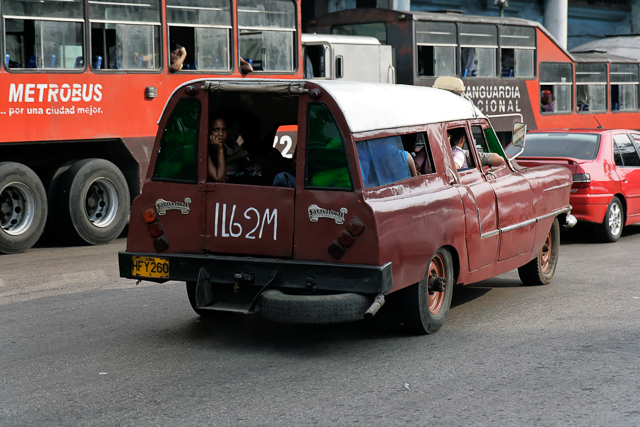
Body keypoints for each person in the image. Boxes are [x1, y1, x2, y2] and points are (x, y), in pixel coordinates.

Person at [208, 117, 228, 182]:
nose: (221, 134)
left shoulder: (223, 148)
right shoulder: (204, 150)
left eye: (224, 129)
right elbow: (221, 180)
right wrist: (220, 150)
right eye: (216, 130)